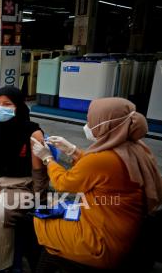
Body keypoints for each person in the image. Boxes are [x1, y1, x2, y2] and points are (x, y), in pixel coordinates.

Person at [31, 97, 162, 270]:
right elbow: (100, 172)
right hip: (123, 229)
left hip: (102, 242)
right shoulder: (134, 148)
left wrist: (48, 158)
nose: (87, 125)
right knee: (56, 207)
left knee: (38, 220)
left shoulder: (102, 159)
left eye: (91, 121)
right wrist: (73, 151)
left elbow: (63, 183)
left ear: (106, 125)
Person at [0, 86, 48, 273]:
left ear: (19, 107)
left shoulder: (32, 133)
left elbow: (39, 173)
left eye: (7, 104)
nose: (0, 108)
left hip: (20, 186)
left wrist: (40, 203)